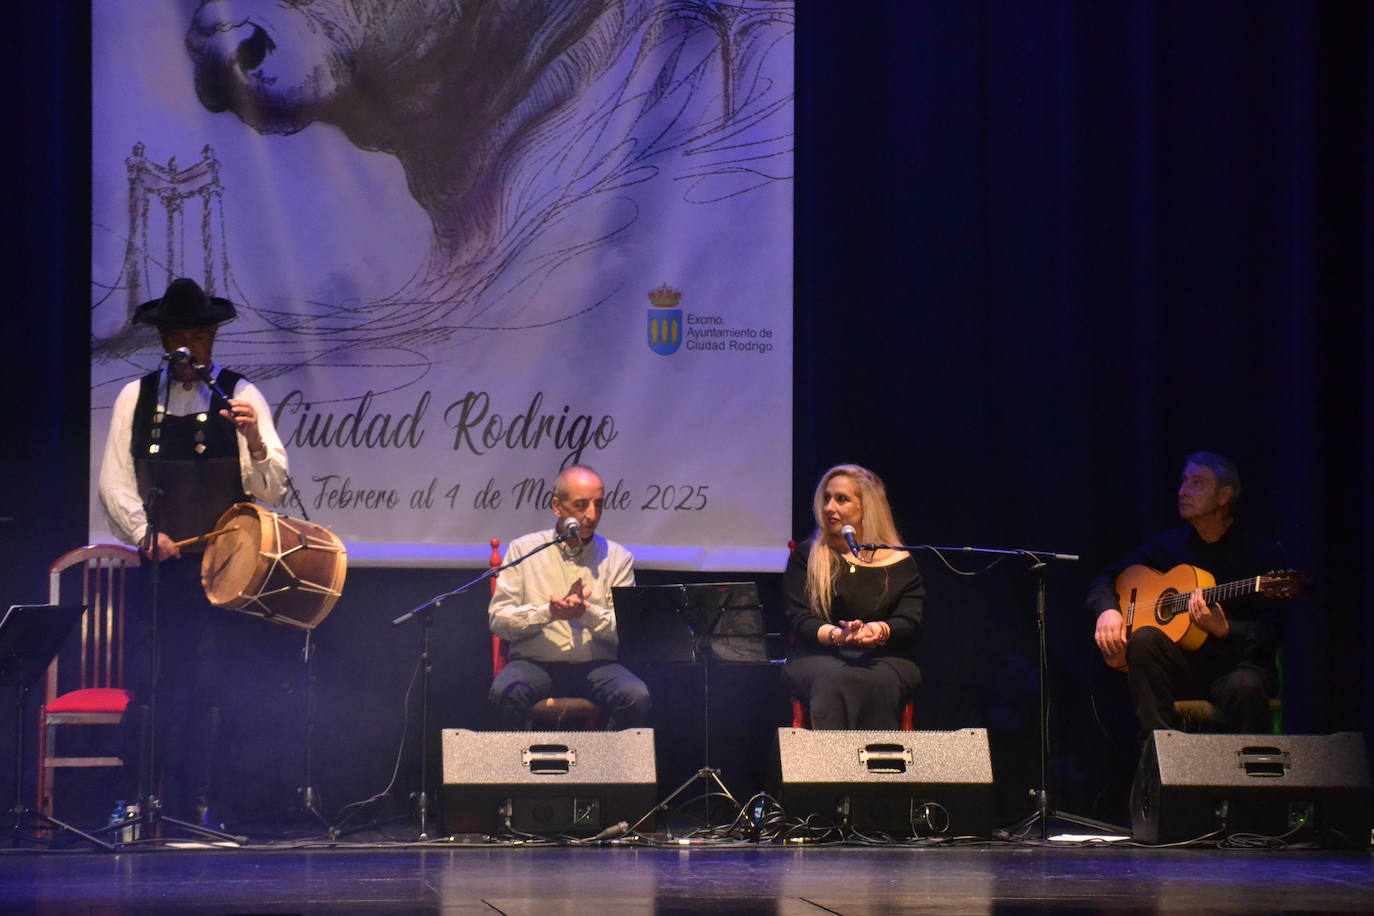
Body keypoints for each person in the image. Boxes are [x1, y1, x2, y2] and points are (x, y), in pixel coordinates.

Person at [98, 276, 288, 825]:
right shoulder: (136, 398)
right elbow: (115, 482)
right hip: (164, 569)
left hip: (229, 567)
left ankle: (210, 804)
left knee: (219, 683)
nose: (187, 346)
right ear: (163, 339)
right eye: (176, 335)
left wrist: (252, 439)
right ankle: (137, 801)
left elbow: (272, 488)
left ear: (211, 338)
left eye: (197, 335)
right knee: (155, 682)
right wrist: (142, 533)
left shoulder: (242, 395)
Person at [1088, 452, 1289, 734]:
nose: (1183, 491)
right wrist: (1107, 611)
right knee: (1144, 639)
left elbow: (1273, 630)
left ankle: (1249, 774)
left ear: (1224, 496)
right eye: (1183, 481)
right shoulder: (1169, 545)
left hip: (1236, 667)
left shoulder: (1261, 554)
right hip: (1184, 670)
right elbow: (1106, 579)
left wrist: (1225, 629)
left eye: (1197, 483)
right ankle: (1159, 757)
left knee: (1246, 687)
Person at [488, 465, 651, 729]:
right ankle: (522, 769)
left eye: (599, 504)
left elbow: (628, 630)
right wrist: (548, 613)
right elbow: (499, 620)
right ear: (557, 506)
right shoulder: (524, 550)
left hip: (595, 667)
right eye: (581, 505)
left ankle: (603, 767)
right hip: (535, 665)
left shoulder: (618, 558)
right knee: (505, 693)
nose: (591, 514)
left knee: (636, 696)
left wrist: (585, 613)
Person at [782, 464, 924, 729]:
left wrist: (877, 630)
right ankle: (830, 769)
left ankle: (879, 767)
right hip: (817, 655)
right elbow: (799, 618)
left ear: (866, 507)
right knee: (831, 676)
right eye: (826, 499)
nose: (829, 507)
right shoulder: (808, 555)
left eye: (841, 499)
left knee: (880, 680)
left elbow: (910, 620)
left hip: (884, 658)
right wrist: (839, 636)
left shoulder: (900, 560)